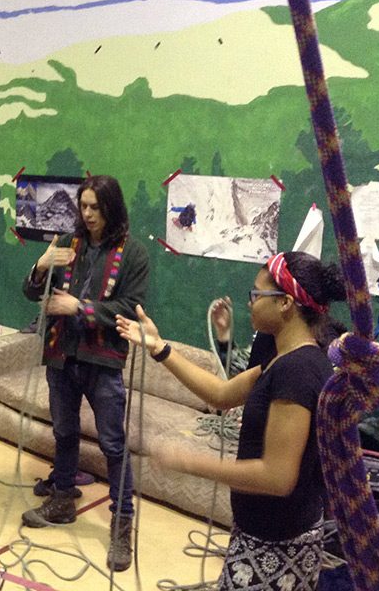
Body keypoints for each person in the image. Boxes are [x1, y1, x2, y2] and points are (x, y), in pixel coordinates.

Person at [116, 251, 346, 590]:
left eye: (256, 294)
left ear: (285, 303)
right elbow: (221, 394)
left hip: (277, 546)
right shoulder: (283, 359)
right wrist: (158, 347)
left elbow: (277, 477)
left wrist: (189, 462)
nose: (250, 302)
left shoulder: (298, 371)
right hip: (261, 535)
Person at [20, 174, 149, 573]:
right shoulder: (68, 248)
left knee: (113, 444)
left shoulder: (134, 255)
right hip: (61, 356)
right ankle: (62, 500)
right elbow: (31, 293)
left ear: (112, 208)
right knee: (63, 432)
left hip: (103, 361)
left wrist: (79, 308)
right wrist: (41, 266)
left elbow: (130, 309)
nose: (88, 214)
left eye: (96, 207)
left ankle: (122, 522)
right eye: (84, 206)